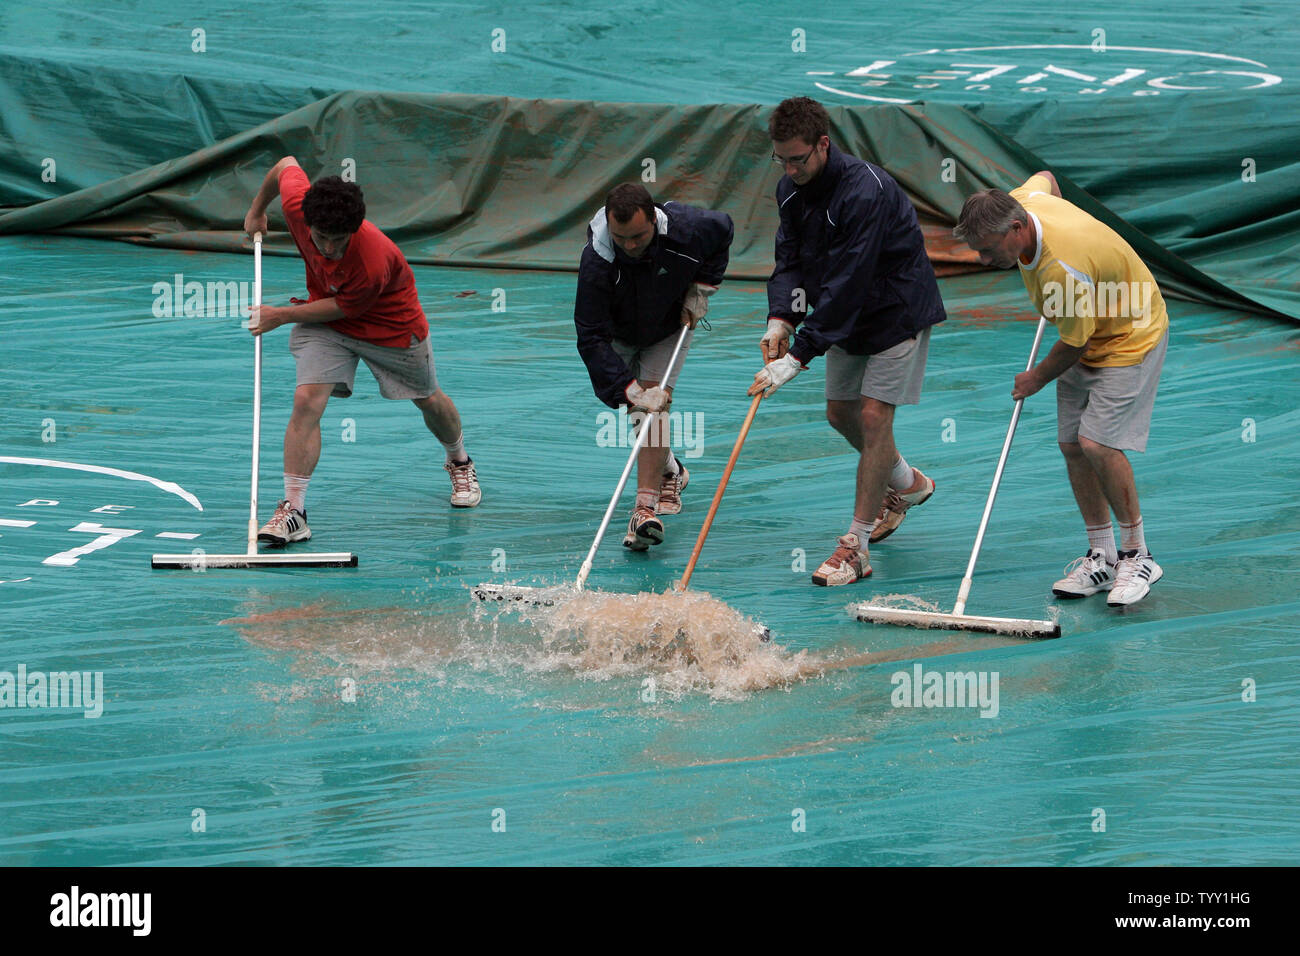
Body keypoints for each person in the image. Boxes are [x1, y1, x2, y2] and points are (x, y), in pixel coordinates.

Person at [749, 96, 946, 586]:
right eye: (782, 159)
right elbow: (790, 259)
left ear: (823, 143)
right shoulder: (789, 192)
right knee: (841, 414)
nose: (790, 169)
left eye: (799, 158)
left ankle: (854, 546)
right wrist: (781, 317)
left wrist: (797, 356)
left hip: (894, 312)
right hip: (845, 319)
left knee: (875, 416)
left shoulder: (865, 191)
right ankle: (906, 484)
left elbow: (850, 283)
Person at [954, 171, 1170, 606]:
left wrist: (1034, 378)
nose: (981, 259)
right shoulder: (1020, 201)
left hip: (1130, 332)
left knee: (1098, 443)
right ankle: (1102, 556)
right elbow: (1047, 179)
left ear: (1016, 229)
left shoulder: (1061, 270)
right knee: (1072, 444)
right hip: (1087, 322)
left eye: (988, 250)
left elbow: (1075, 343)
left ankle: (1138, 555)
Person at [242, 157, 480, 547]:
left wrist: (282, 315)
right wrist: (256, 211)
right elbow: (284, 165)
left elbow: (346, 307)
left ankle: (459, 461)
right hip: (328, 326)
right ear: (307, 220)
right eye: (322, 237)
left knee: (427, 399)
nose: (330, 247)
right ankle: (294, 511)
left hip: (391, 328)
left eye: (341, 239)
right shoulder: (298, 204)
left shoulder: (373, 257)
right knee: (306, 400)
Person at [574, 183, 733, 551]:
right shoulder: (597, 262)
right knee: (636, 406)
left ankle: (644, 510)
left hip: (668, 325)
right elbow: (590, 336)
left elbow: (723, 230)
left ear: (655, 221)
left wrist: (702, 288)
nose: (630, 245)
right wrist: (629, 390)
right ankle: (671, 469)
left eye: (639, 236)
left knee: (655, 405)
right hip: (618, 332)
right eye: (621, 238)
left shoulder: (689, 228)